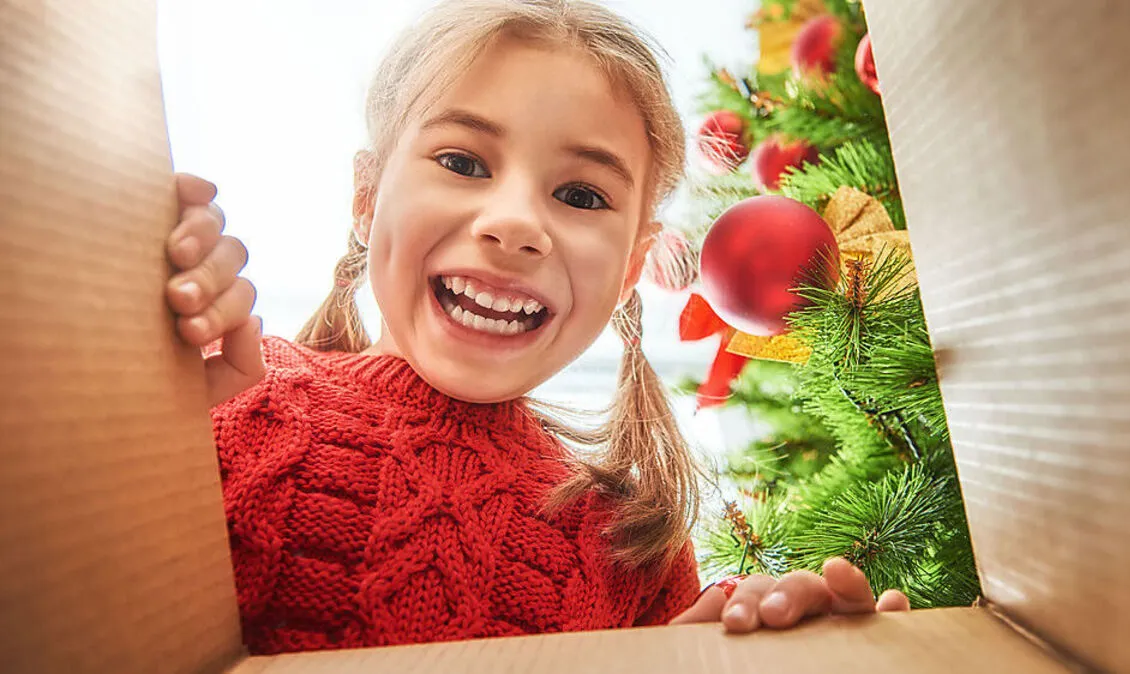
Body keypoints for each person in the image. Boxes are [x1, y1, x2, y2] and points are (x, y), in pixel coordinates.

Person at [164, 0, 909, 656]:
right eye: (462, 160)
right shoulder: (216, 396)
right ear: (367, 197)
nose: (517, 224)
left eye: (582, 195)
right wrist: (155, 429)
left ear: (629, 270)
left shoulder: (638, 558)